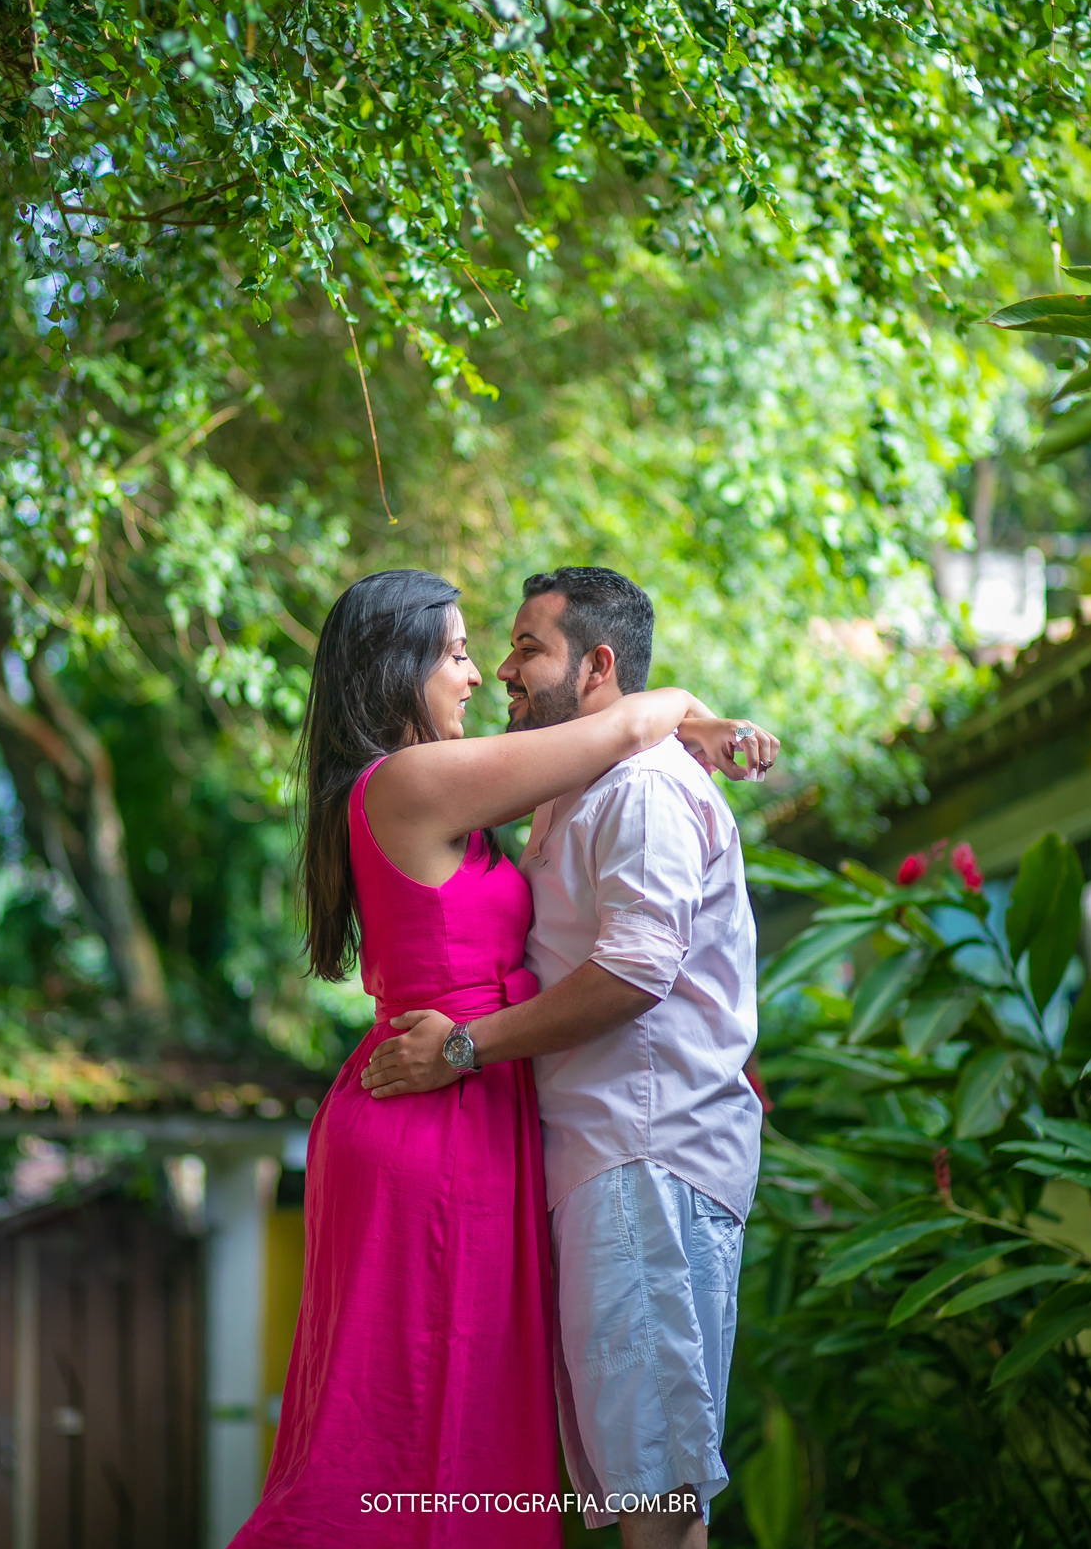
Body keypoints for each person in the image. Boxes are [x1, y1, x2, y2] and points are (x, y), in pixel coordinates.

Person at [230, 568, 765, 1549]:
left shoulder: (481, 790)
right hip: (436, 1111)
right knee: (400, 1434)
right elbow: (619, 725)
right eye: (460, 652)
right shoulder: (409, 781)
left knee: (471, 1431)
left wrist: (685, 722)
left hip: (478, 1108)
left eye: (508, 649)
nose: (481, 674)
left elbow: (617, 738)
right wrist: (693, 708)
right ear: (398, 669)